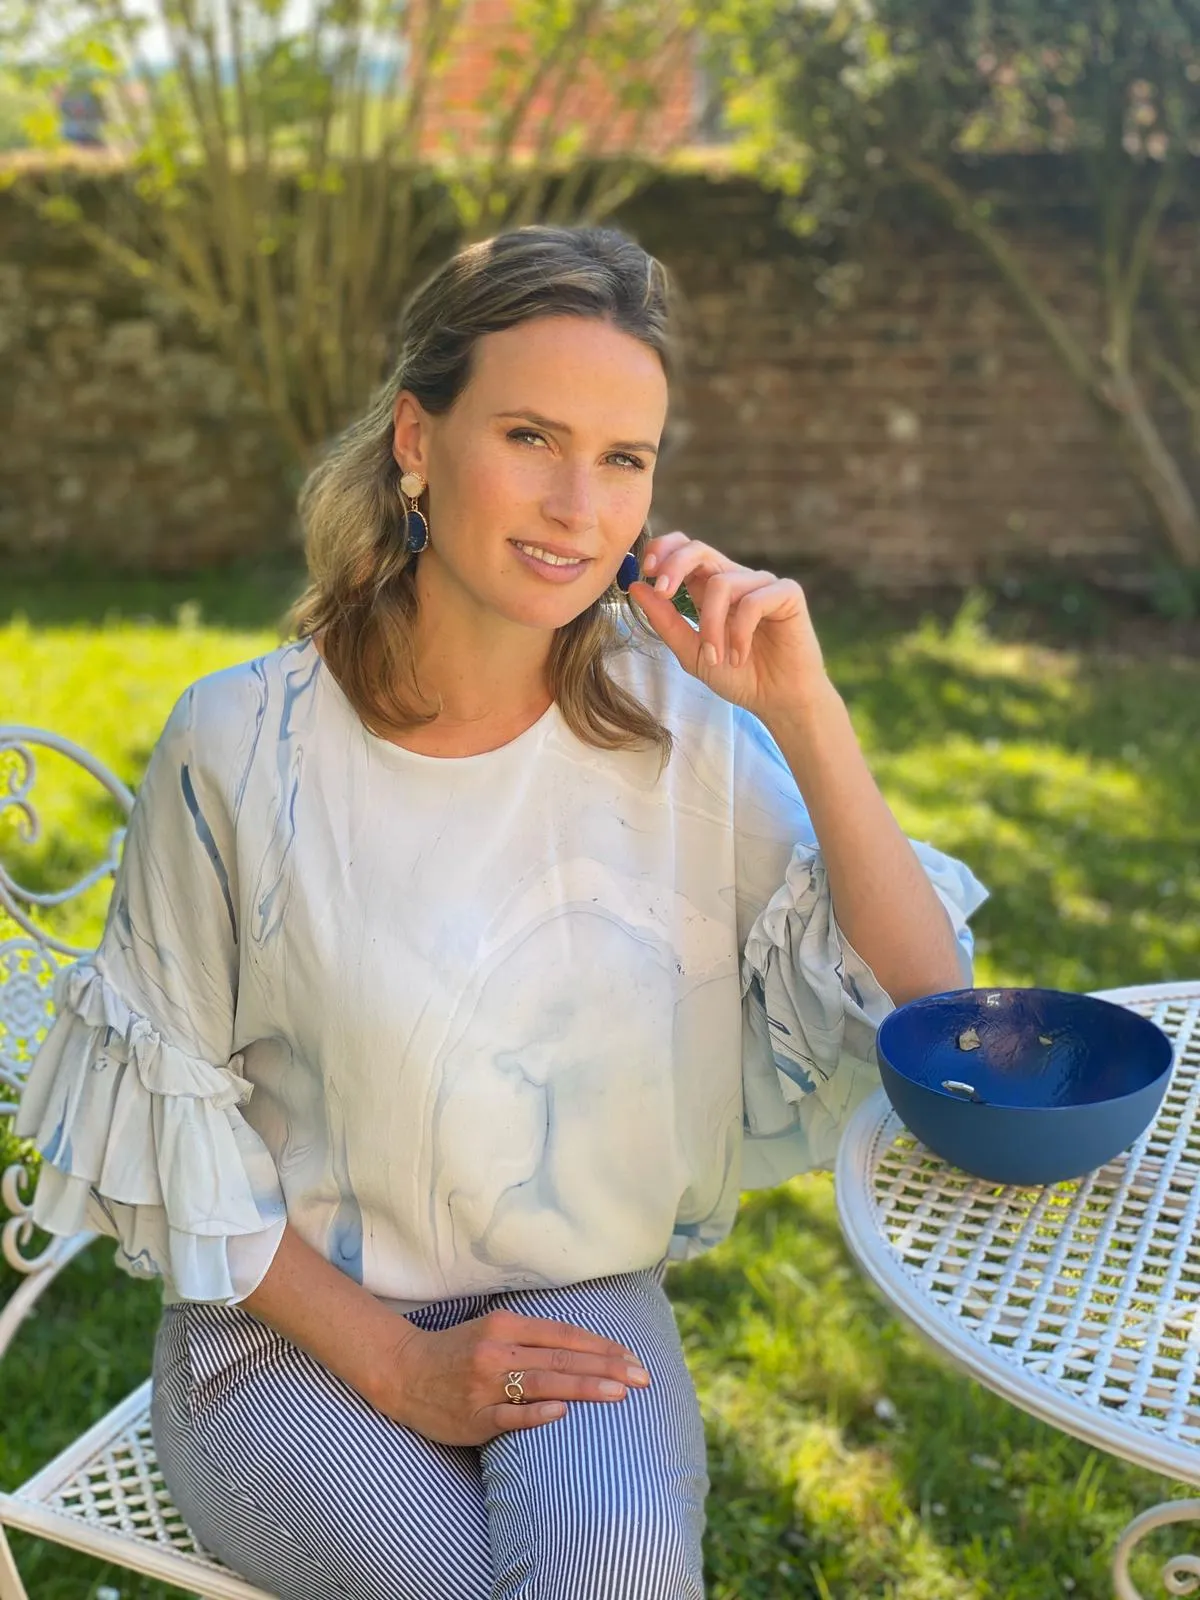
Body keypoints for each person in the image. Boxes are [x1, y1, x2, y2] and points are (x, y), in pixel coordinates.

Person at [16, 223, 988, 1600]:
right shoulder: (238, 747)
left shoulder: (683, 730)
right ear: (417, 439)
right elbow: (179, 1148)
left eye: (624, 459)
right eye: (532, 435)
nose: (580, 506)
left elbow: (930, 1005)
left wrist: (805, 713)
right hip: (284, 1332)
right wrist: (405, 1365)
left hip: (575, 1299)